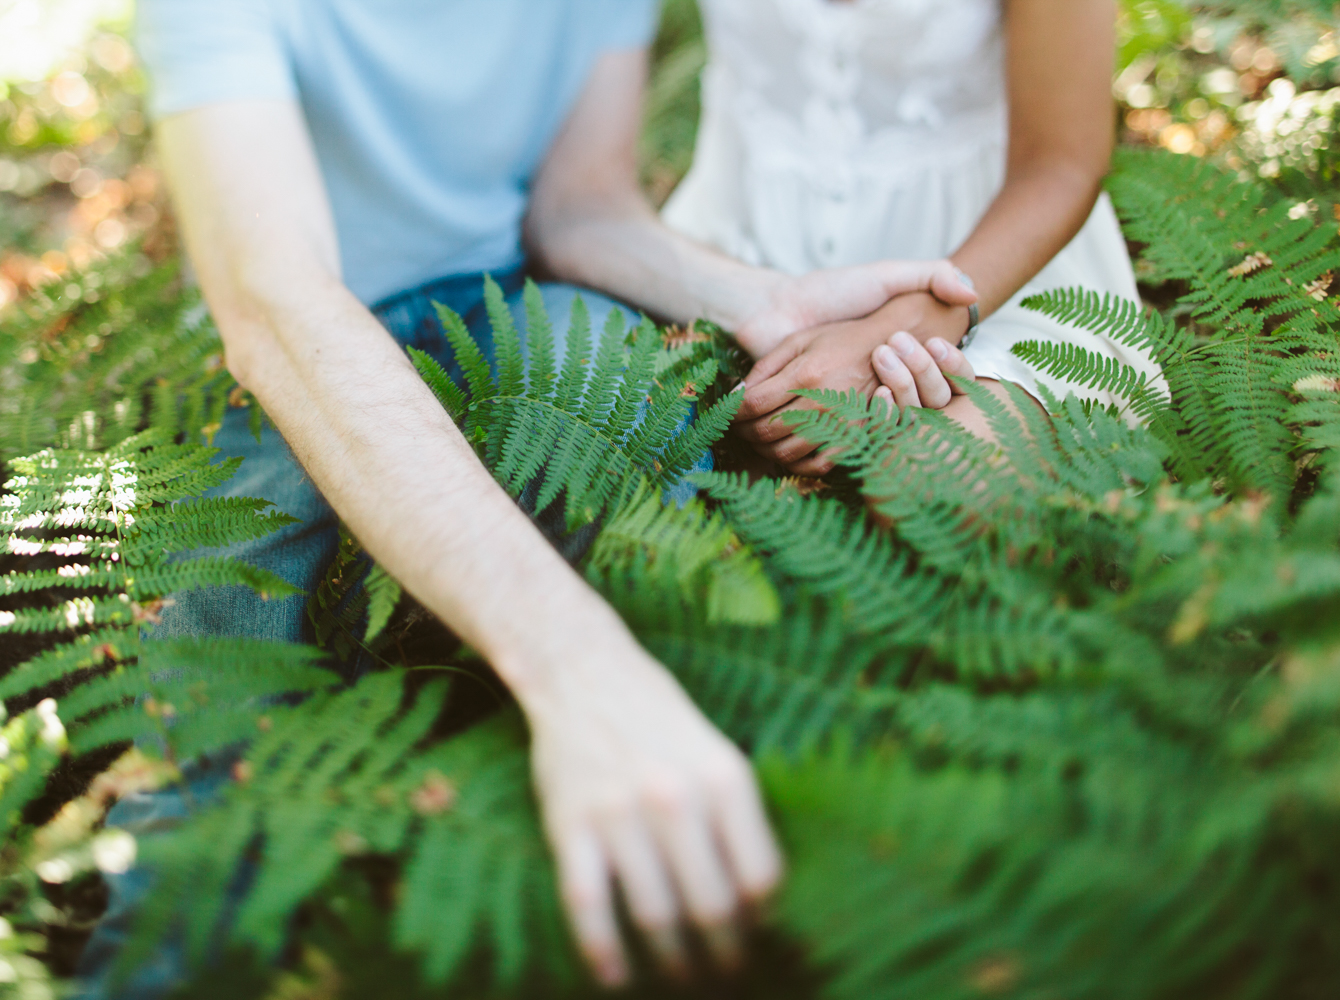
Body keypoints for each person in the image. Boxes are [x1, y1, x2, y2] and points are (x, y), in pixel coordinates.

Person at [83, 1, 980, 993]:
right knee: (220, 651)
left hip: (520, 300)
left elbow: (580, 208)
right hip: (311, 351)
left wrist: (757, 301)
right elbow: (278, 306)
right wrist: (574, 665)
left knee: (661, 521)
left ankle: (826, 867)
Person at [630, 0, 1159, 472]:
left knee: (934, 482)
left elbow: (1062, 164)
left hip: (999, 269)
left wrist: (907, 327)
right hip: (727, 248)